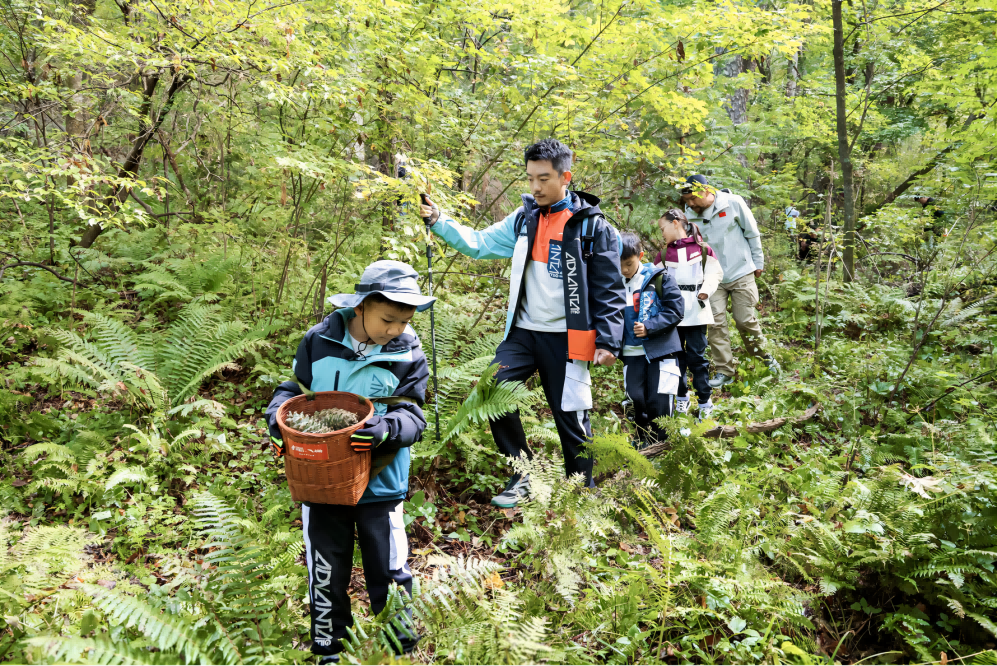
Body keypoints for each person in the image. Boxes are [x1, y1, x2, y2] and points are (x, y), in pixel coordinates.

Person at [421, 138, 626, 508]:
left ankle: (581, 494)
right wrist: (439, 221)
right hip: (524, 333)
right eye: (530, 178)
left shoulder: (593, 228)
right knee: (492, 390)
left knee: (572, 421)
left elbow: (611, 290)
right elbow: (479, 243)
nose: (535, 187)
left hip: (569, 338)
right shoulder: (524, 219)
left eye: (543, 178)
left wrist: (609, 341)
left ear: (566, 176)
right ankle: (524, 473)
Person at [265, 261, 433, 664]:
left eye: (404, 320)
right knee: (325, 572)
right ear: (360, 307)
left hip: (381, 483)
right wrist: (276, 417)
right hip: (321, 482)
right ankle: (329, 649)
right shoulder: (319, 340)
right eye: (388, 319)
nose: (396, 329)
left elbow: (416, 416)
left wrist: (387, 429)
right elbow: (295, 390)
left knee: (389, 571)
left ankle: (399, 649)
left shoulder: (408, 351)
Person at [679, 174, 779, 388]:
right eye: (686, 200)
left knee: (744, 320)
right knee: (715, 324)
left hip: (741, 271)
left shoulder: (733, 203)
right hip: (712, 277)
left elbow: (752, 233)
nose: (690, 204)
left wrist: (758, 262)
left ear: (706, 191)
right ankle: (725, 371)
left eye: (693, 199)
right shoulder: (689, 213)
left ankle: (765, 360)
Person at [656, 209, 723, 419]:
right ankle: (681, 398)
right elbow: (656, 281)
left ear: (675, 223)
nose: (662, 233)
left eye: (663, 228)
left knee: (697, 358)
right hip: (672, 314)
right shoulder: (665, 254)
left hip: (696, 311)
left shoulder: (702, 250)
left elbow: (715, 273)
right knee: (676, 359)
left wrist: (706, 291)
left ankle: (705, 401)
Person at [618, 232, 684, 444]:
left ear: (641, 255)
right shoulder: (612, 283)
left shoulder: (659, 277)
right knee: (636, 399)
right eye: (619, 264)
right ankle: (643, 442)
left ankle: (663, 445)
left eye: (628, 264)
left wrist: (649, 326)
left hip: (661, 350)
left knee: (659, 400)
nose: (624, 270)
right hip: (631, 353)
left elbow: (676, 310)